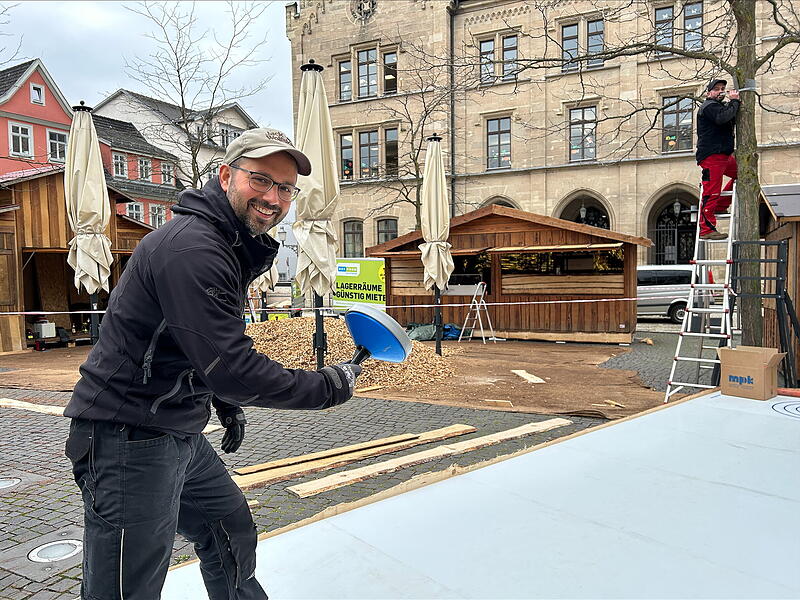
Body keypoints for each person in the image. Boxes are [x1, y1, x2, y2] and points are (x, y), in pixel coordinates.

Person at [63, 127, 362, 600]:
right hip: (128, 435)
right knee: (125, 585)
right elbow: (233, 367)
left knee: (229, 528)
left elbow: (196, 346)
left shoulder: (227, 243)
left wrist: (222, 402)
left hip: (175, 427)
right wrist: (326, 385)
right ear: (226, 176)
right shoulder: (194, 249)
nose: (273, 198)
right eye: (260, 180)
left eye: (285, 188)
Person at [696, 78, 741, 240]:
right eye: (717, 89)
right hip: (712, 156)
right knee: (711, 191)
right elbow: (722, 118)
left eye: (723, 88)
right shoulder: (709, 106)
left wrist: (732, 104)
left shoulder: (719, 107)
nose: (721, 91)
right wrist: (734, 102)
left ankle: (721, 206)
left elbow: (728, 117)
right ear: (709, 93)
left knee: (741, 175)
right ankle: (706, 230)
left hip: (723, 155)